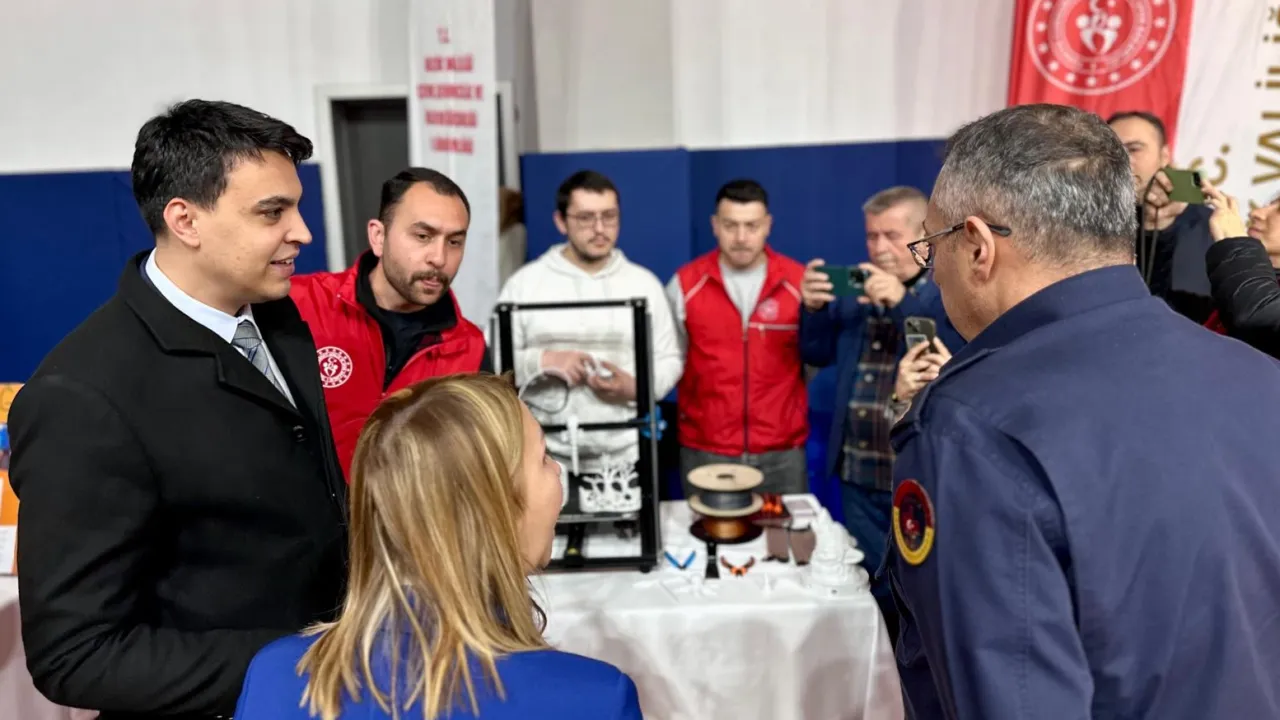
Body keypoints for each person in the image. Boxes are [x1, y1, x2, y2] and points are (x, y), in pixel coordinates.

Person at [890, 103, 1280, 718]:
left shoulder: (970, 427)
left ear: (978, 246)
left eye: (931, 247)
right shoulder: (1259, 376)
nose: (933, 271)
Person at [7, 100, 348, 718]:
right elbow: (76, 655)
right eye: (272, 212)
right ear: (185, 220)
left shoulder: (275, 316)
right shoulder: (81, 395)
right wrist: (310, 660)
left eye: (296, 207)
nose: (302, 232)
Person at [234, 374, 643, 719]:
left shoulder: (276, 676)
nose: (558, 472)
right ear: (492, 506)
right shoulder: (594, 699)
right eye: (543, 458)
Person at [798, 186, 961, 592]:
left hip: (917, 470)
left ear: (923, 235)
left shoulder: (947, 294)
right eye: (872, 236)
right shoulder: (856, 294)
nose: (880, 248)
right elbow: (815, 353)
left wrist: (902, 300)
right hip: (857, 467)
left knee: (919, 583)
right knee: (870, 580)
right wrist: (812, 309)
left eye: (891, 236)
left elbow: (942, 355)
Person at [495, 170, 681, 515]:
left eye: (609, 217)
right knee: (547, 547)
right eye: (585, 218)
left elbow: (670, 357)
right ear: (560, 221)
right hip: (545, 457)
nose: (599, 229)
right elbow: (492, 360)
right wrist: (543, 360)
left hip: (626, 455)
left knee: (627, 545)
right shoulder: (525, 285)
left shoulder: (643, 285)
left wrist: (637, 387)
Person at [291, 168, 488, 478]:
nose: (439, 258)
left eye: (454, 241)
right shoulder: (301, 304)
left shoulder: (470, 349)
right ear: (378, 237)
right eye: (423, 236)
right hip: (309, 506)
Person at [666, 179, 808, 497]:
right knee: (709, 532)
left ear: (767, 225)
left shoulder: (798, 283)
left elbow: (811, 360)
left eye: (751, 226)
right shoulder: (686, 284)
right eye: (731, 225)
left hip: (781, 452)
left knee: (788, 531)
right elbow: (671, 359)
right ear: (715, 225)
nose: (741, 237)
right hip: (706, 450)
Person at [1108, 110, 1215, 321]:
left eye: (1134, 149)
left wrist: (1160, 228)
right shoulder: (1085, 222)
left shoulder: (1210, 226)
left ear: (1164, 156)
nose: (1121, 160)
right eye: (1111, 151)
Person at [1201, 182, 1280, 357]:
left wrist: (1236, 243)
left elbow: (1257, 315)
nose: (1256, 213)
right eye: (1270, 204)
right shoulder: (1235, 278)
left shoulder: (1243, 283)